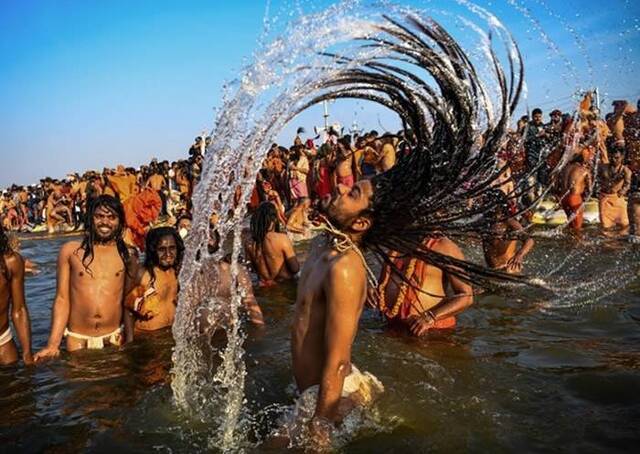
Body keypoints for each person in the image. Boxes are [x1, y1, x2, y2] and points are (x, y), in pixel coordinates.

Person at [34, 196, 136, 359]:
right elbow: (62, 299)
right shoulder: (70, 251)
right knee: (79, 381)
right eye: (99, 216)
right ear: (90, 219)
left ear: (120, 221)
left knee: (116, 383)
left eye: (111, 217)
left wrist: (130, 341)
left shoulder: (128, 255)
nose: (105, 222)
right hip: (77, 338)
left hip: (114, 336)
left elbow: (127, 302)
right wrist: (52, 344)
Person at [376, 236, 473, 336]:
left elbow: (466, 296)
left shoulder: (445, 247)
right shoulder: (397, 244)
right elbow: (383, 285)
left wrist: (430, 318)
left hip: (434, 334)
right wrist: (370, 292)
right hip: (393, 329)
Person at [125, 227, 183, 331]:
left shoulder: (180, 273)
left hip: (172, 334)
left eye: (172, 248)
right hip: (148, 337)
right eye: (162, 249)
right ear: (153, 250)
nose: (168, 254)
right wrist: (130, 340)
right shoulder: (142, 274)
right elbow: (126, 307)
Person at [244, 202, 299, 286]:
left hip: (265, 288)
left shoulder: (249, 243)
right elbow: (295, 268)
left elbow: (250, 269)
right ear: (274, 219)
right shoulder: (282, 239)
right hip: (285, 286)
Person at [0, 224, 32, 365]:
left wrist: (27, 353)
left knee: (19, 383)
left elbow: (19, 309)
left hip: (3, 341)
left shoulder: (11, 262)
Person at [482, 190, 535, 273]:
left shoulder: (509, 222)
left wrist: (519, 255)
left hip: (509, 271)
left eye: (486, 202)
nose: (484, 205)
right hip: (492, 271)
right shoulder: (485, 222)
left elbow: (529, 240)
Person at [598, 145, 632, 235]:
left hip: (618, 199)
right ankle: (608, 245)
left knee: (624, 224)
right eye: (611, 157)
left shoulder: (626, 171)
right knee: (605, 227)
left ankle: (620, 245)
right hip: (604, 199)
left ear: (622, 157)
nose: (613, 159)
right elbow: (594, 177)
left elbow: (628, 184)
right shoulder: (602, 167)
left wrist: (623, 191)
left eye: (616, 158)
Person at [558, 154, 592, 232]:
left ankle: (569, 242)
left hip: (563, 198)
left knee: (571, 224)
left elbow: (556, 186)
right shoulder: (584, 170)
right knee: (577, 227)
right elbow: (590, 189)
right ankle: (577, 242)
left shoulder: (564, 169)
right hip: (575, 198)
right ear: (582, 161)